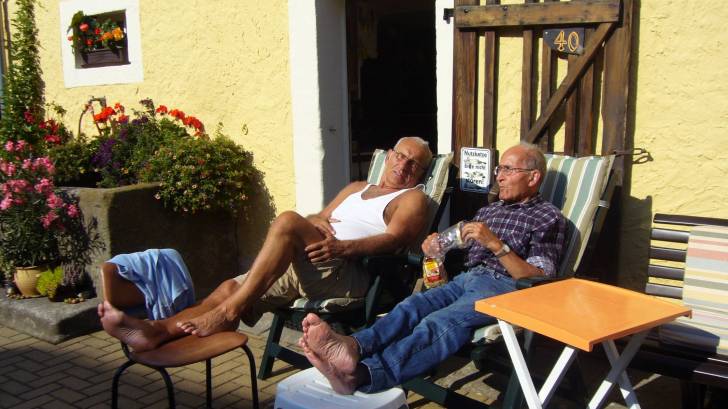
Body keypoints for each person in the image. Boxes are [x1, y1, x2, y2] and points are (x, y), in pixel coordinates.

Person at [98, 136, 434, 352]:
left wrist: (341, 248)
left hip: (348, 273)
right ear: (388, 155)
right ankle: (156, 331)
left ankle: (225, 314)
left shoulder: (412, 199)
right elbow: (321, 216)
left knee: (287, 221)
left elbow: (395, 240)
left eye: (413, 164)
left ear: (420, 175)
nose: (403, 166)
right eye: (400, 156)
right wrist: (316, 221)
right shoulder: (356, 186)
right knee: (229, 287)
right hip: (309, 262)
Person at [298, 142, 567, 395]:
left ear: (533, 178)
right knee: (410, 307)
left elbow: (540, 278)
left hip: (507, 288)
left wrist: (497, 246)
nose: (499, 177)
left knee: (440, 322)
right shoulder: (490, 211)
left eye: (509, 169)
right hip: (467, 279)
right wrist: (435, 248)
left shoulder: (547, 217)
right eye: (500, 169)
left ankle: (363, 375)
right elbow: (455, 249)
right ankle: (352, 347)